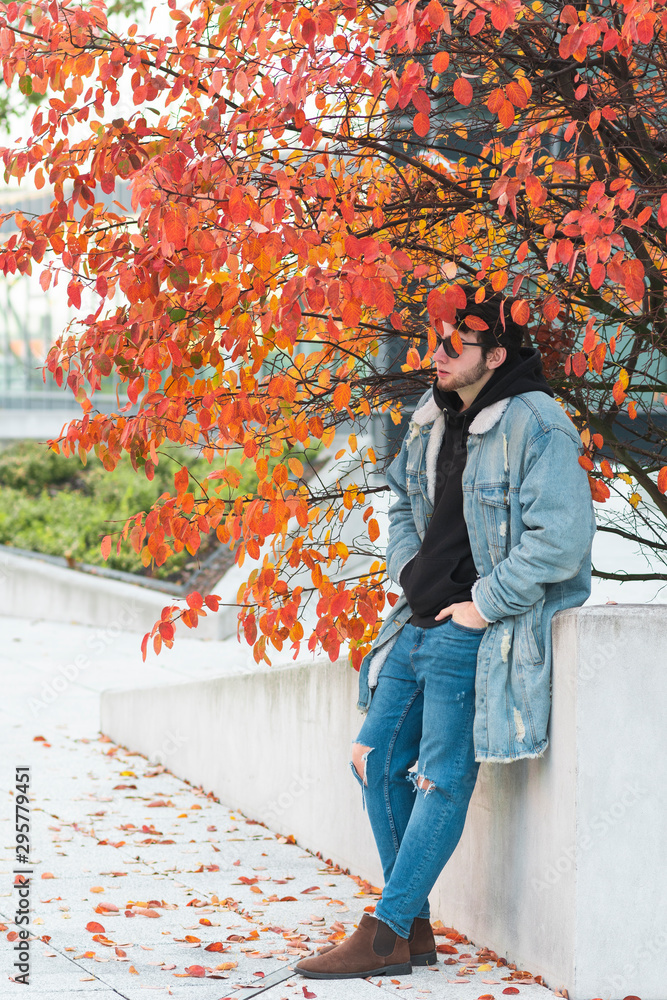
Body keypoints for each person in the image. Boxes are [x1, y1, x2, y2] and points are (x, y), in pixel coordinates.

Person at [295, 286, 597, 981]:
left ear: (493, 354)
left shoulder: (537, 423)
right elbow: (401, 496)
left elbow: (561, 539)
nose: (435, 355)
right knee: (371, 758)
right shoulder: (430, 414)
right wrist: (407, 569)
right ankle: (412, 925)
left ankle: (385, 933)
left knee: (441, 779)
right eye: (435, 341)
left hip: (473, 630)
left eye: (453, 345)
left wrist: (484, 603)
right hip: (418, 619)